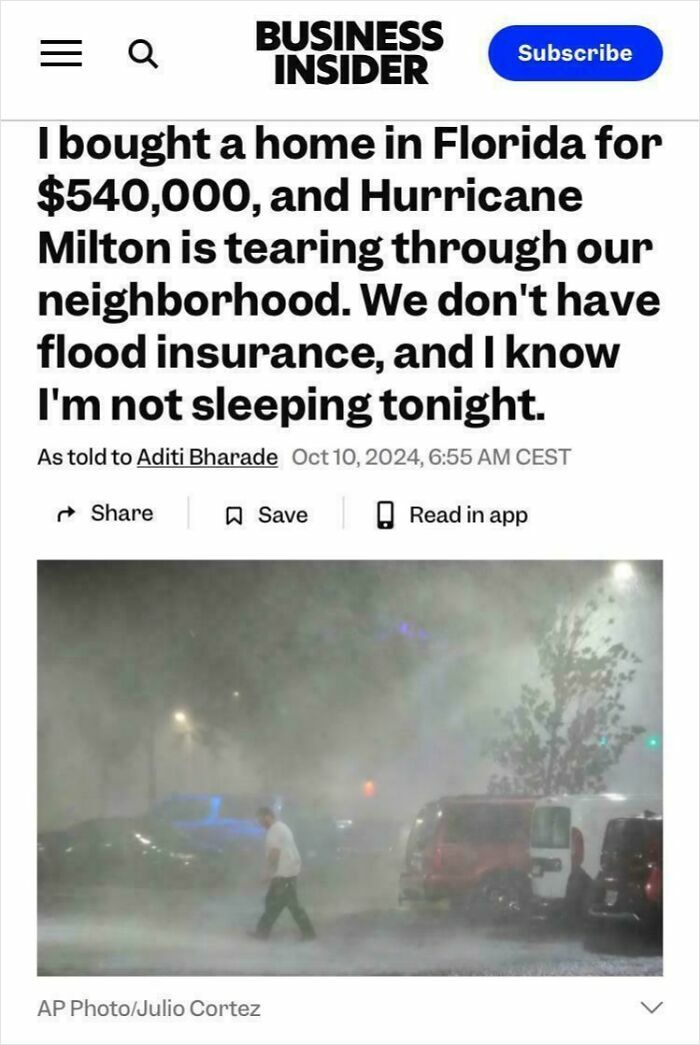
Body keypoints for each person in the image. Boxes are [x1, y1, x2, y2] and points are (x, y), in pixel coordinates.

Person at [250, 806, 316, 941]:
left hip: (283, 874)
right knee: (276, 903)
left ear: (267, 816)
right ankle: (262, 932)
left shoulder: (274, 831)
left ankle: (309, 934)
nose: (260, 823)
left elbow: (275, 853)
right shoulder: (282, 827)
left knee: (288, 906)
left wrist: (267, 872)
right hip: (288, 872)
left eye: (260, 820)